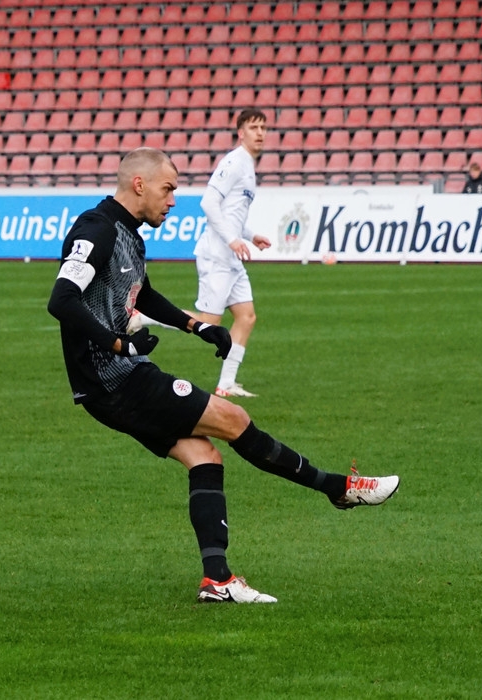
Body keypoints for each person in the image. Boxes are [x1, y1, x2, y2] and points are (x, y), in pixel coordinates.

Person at [47, 148, 399, 604]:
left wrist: (198, 326)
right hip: (112, 378)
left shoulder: (129, 235)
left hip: (117, 378)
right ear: (139, 184)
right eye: (167, 189)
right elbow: (62, 299)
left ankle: (217, 580)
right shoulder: (96, 230)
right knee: (233, 418)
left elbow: (143, 294)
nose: (173, 200)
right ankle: (338, 488)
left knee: (205, 457)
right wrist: (120, 345)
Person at [193, 108, 273, 397]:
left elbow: (232, 213)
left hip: (231, 256)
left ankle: (226, 384)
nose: (260, 133)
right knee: (208, 322)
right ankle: (142, 317)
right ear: (241, 133)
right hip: (217, 254)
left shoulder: (248, 165)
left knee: (247, 317)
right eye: (253, 127)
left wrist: (250, 236)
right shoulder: (234, 162)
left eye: (263, 127)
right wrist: (231, 240)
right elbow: (208, 202)